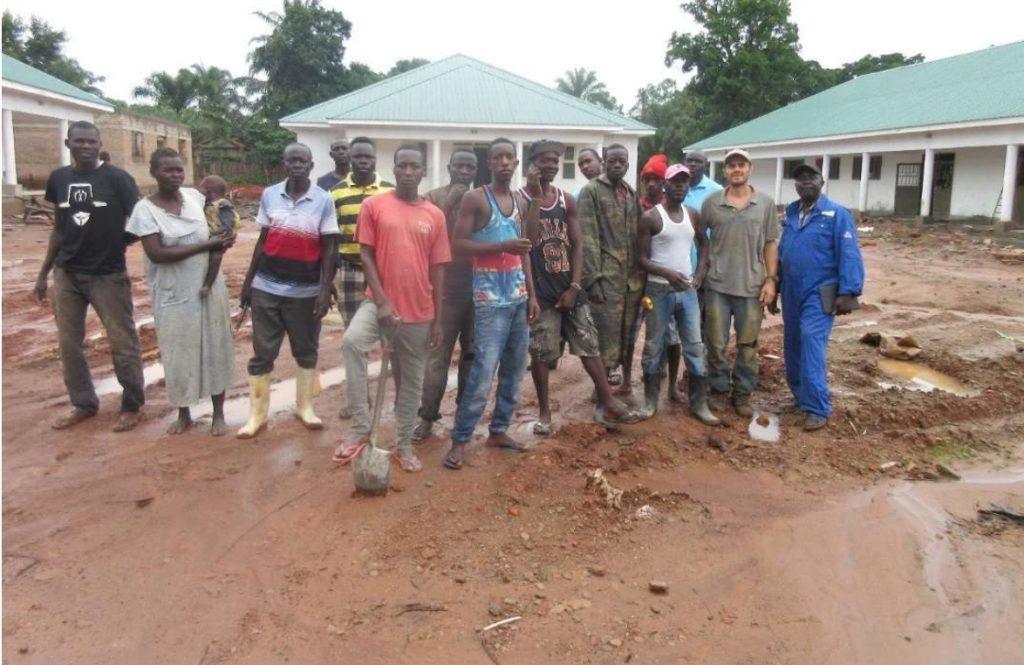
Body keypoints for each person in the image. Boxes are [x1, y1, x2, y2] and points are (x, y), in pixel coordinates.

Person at [331, 145, 451, 472]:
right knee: (352, 342)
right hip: (378, 303)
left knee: (412, 380)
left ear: (424, 171)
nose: (409, 172)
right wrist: (382, 301)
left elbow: (439, 268)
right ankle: (359, 428)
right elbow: (365, 254)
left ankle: (403, 444)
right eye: (403, 166)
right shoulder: (374, 205)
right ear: (394, 169)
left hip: (419, 312)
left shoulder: (434, 215)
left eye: (415, 166)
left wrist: (439, 320)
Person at [520, 141, 639, 434]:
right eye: (545, 160)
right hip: (541, 292)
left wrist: (575, 286)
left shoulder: (566, 200)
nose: (551, 165)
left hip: (570, 287)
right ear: (532, 164)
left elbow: (579, 244)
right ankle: (545, 413)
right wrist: (535, 196)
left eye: (555, 161)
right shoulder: (520, 199)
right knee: (542, 354)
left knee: (589, 346)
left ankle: (608, 400)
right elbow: (528, 241)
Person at [34, 121, 145, 432]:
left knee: (122, 341)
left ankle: (132, 404)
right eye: (79, 141)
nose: (85, 146)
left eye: (91, 142)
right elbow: (58, 227)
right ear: (68, 144)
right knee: (69, 343)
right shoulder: (59, 178)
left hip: (108, 275)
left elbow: (141, 220)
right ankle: (83, 403)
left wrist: (119, 244)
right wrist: (43, 273)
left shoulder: (118, 179)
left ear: (100, 144)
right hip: (67, 273)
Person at [442, 138, 540, 470]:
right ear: (490, 162)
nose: (503, 162)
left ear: (515, 162)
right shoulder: (476, 198)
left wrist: (532, 295)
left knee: (514, 371)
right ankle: (460, 440)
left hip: (517, 298)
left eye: (508, 157)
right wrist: (502, 244)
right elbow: (458, 244)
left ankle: (499, 430)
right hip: (488, 300)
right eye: (497, 157)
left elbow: (523, 251)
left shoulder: (519, 201)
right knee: (483, 373)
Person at [128, 149, 237, 435]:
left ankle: (218, 414)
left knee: (216, 348)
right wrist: (208, 246)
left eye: (178, 169)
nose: (175, 175)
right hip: (172, 292)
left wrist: (226, 238)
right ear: (154, 173)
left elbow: (220, 223)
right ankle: (184, 412)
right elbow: (158, 253)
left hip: (208, 288)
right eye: (168, 170)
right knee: (178, 352)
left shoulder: (194, 197)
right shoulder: (145, 210)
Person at [237, 143, 338, 438]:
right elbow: (262, 240)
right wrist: (248, 282)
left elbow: (330, 248)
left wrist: (323, 290)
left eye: (302, 161)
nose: (297, 165)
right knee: (262, 352)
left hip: (305, 291)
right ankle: (257, 415)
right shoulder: (270, 195)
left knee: (306, 351)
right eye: (292, 160)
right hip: (266, 287)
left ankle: (305, 408)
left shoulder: (323, 199)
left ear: (310, 166)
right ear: (284, 163)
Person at [779, 164, 864, 431]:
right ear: (795, 185)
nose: (805, 183)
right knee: (792, 340)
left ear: (822, 181)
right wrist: (775, 286)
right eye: (800, 179)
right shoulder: (791, 214)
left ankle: (817, 406)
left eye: (811, 178)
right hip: (791, 290)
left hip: (820, 290)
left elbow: (849, 253)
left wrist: (849, 291)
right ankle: (800, 396)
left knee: (811, 340)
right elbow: (784, 252)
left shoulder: (837, 215)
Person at [637, 164, 719, 425]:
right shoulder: (651, 217)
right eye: (675, 182)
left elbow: (704, 244)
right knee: (653, 346)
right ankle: (650, 401)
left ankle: (699, 403)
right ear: (665, 186)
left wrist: (699, 274)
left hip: (686, 291)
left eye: (684, 182)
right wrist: (667, 273)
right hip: (658, 289)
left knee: (694, 345)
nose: (680, 186)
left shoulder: (692, 215)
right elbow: (641, 259)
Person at [701, 148, 779, 417]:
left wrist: (771, 280)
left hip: (752, 286)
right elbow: (701, 240)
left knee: (748, 345)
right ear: (725, 171)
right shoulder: (711, 203)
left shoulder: (765, 204)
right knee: (716, 343)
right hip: (718, 286)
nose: (736, 169)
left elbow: (770, 243)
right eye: (731, 165)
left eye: (741, 165)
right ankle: (720, 391)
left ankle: (743, 395)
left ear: (750, 169)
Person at [412, 148, 479, 441]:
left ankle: (463, 416)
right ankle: (427, 417)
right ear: (449, 167)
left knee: (472, 355)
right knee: (436, 357)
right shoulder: (430, 199)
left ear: (476, 172)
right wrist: (449, 206)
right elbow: (423, 241)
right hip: (443, 291)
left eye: (470, 167)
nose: (464, 171)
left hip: (477, 289)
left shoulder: (482, 199)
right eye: (459, 166)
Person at [331, 137, 394, 419]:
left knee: (389, 335)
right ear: (350, 159)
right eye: (358, 157)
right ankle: (361, 399)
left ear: (375, 158)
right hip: (350, 271)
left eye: (368, 156)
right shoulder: (335, 193)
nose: (363, 161)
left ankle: (396, 399)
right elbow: (331, 240)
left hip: (383, 273)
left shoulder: (390, 192)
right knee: (354, 338)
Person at [577, 144, 644, 398]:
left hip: (631, 281)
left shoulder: (630, 192)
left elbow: (639, 234)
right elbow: (588, 239)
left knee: (628, 333)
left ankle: (624, 383)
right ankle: (601, 391)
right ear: (604, 162)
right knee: (605, 335)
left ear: (628, 165)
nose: (617, 165)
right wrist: (592, 280)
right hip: (606, 279)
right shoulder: (591, 191)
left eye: (622, 162)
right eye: (612, 161)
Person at [197, 175, 242, 298]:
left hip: (222, 236)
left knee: (215, 257)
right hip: (213, 235)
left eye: (200, 188)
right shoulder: (206, 204)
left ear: (208, 190)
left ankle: (207, 285)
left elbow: (229, 223)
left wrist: (222, 236)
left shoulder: (223, 203)